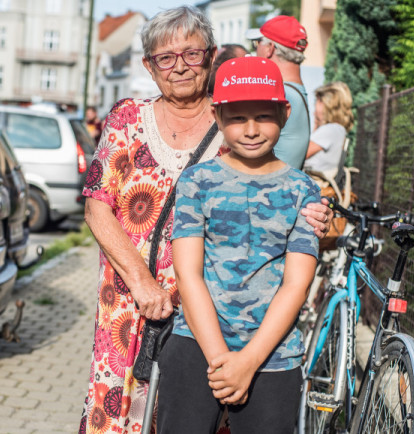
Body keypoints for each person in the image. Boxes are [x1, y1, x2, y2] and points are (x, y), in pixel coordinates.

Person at [79, 7, 332, 434]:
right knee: (119, 415)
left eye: (191, 54)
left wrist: (315, 216)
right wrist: (142, 283)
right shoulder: (126, 119)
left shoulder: (234, 122)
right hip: (130, 303)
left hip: (210, 316)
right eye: (165, 57)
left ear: (211, 56)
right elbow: (96, 205)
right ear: (149, 65)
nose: (179, 66)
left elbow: (281, 193)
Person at [157, 56, 318, 434]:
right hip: (196, 344)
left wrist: (248, 362)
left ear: (284, 112)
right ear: (217, 117)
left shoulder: (304, 191)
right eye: (236, 118)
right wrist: (221, 361)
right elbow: (188, 274)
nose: (250, 130)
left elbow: (296, 284)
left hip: (273, 356)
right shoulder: (197, 182)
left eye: (263, 116)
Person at [247, 15, 310, 170]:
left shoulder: (281, 94)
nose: (255, 49)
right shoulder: (295, 91)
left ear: (270, 48)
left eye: (257, 43)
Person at [305, 81, 354, 174]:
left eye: (318, 101)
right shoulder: (338, 129)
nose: (315, 107)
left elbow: (299, 155)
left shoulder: (330, 129)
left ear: (327, 103)